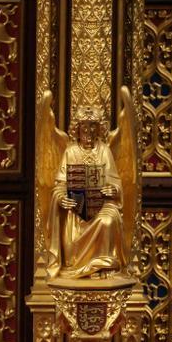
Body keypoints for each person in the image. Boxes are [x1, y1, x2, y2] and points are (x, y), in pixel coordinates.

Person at [51, 108, 126, 278]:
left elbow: (115, 182)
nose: (89, 132)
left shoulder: (104, 151)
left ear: (99, 129)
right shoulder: (71, 152)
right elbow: (60, 185)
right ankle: (76, 265)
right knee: (72, 232)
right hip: (77, 208)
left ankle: (103, 266)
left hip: (102, 205)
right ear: (77, 129)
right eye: (84, 127)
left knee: (108, 220)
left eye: (93, 126)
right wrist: (62, 198)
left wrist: (113, 189)